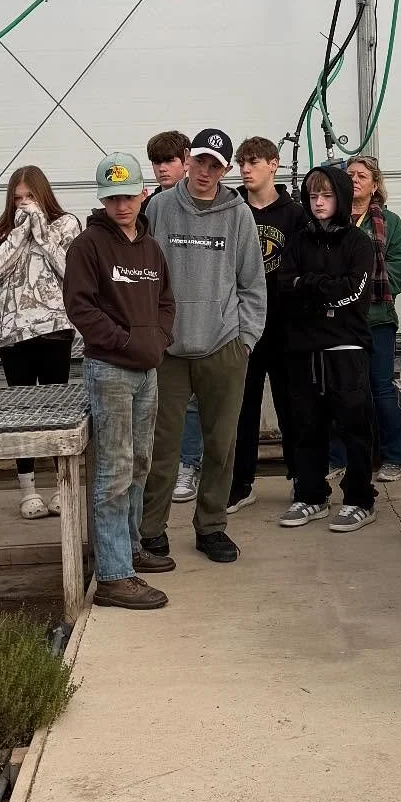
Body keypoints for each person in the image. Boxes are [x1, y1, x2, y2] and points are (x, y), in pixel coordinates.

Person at [141, 128, 267, 563]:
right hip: (169, 352)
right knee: (162, 446)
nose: (205, 172)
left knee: (220, 444)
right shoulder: (158, 208)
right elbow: (144, 277)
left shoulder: (239, 215)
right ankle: (151, 530)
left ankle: (211, 527)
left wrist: (245, 340)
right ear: (187, 160)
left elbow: (252, 283)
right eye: (200, 162)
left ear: (225, 170)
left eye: (215, 165)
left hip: (223, 348)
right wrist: (152, 335)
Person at [63, 153, 176, 610]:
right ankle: (112, 576)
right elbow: (81, 308)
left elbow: (166, 299)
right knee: (112, 471)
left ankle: (128, 550)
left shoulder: (150, 248)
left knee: (139, 463)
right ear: (102, 200)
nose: (121, 205)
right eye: (112, 198)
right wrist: (126, 342)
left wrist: (159, 339)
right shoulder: (88, 246)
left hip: (147, 369)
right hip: (109, 370)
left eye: (128, 195)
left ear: (143, 194)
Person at [277, 165, 378, 533]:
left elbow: (354, 291)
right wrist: (322, 292)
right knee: (306, 424)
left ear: (341, 197)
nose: (319, 203)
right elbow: (286, 285)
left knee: (354, 425)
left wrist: (313, 288)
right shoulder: (298, 240)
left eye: (327, 195)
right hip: (304, 349)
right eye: (313, 196)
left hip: (346, 347)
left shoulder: (358, 242)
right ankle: (311, 493)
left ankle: (359, 499)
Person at [0, 165, 82, 519]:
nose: (24, 204)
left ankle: (60, 487)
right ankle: (28, 490)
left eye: (30, 196)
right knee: (21, 413)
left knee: (54, 409)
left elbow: (71, 270)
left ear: (43, 194)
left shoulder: (66, 224)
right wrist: (20, 233)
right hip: (12, 334)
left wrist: (41, 232)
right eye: (18, 198)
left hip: (54, 328)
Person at [227, 136, 305, 512]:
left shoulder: (295, 215)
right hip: (243, 327)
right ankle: (241, 483)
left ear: (273, 164)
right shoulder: (231, 210)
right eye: (241, 162)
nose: (245, 169)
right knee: (242, 407)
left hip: (286, 327)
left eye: (253, 162)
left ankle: (301, 478)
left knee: (293, 405)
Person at [145, 129, 206, 507]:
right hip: (155, 318)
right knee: (159, 399)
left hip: (197, 319)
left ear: (186, 160)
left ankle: (190, 463)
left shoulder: (202, 201)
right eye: (156, 162)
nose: (161, 169)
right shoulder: (148, 205)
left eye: (168, 160)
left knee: (192, 402)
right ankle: (163, 466)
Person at [344, 156, 401, 479]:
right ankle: (343, 459)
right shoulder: (332, 217)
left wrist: (361, 288)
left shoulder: (391, 222)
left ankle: (394, 457)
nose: (355, 180)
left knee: (382, 389)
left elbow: (400, 267)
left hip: (378, 318)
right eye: (350, 175)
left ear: (375, 184)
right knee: (343, 390)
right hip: (339, 321)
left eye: (361, 175)